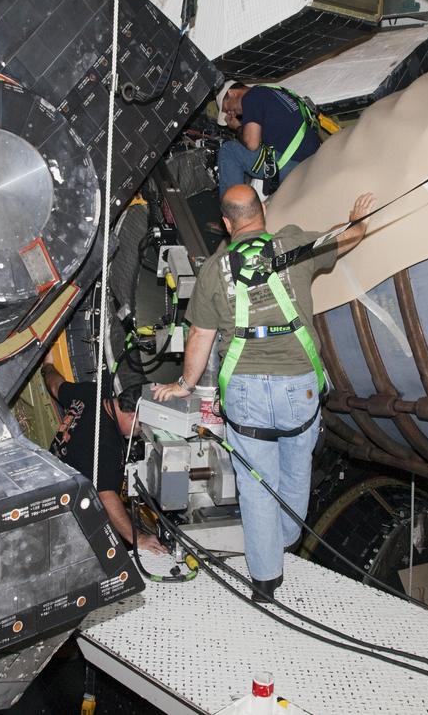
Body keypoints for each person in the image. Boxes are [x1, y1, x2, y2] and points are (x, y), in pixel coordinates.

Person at [152, 184, 376, 602]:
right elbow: (345, 236)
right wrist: (358, 219)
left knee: (255, 484)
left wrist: (182, 384)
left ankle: (266, 581)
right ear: (264, 212)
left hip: (245, 392)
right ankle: (287, 534)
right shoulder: (293, 244)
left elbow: (200, 335)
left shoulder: (214, 269)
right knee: (296, 464)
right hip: (298, 390)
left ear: (225, 224)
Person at [41, 364, 165, 555]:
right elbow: (106, 497)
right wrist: (138, 539)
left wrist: (47, 367)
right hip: (67, 513)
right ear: (132, 416)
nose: (140, 433)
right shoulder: (107, 445)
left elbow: (56, 385)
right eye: (141, 428)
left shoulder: (92, 392)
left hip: (48, 480)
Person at [216, 82, 323, 198]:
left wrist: (237, 127)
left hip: (292, 163)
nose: (231, 113)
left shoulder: (250, 97)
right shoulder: (276, 91)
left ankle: (235, 206)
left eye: (227, 109)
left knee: (229, 150)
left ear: (232, 93)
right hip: (314, 159)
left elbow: (252, 144)